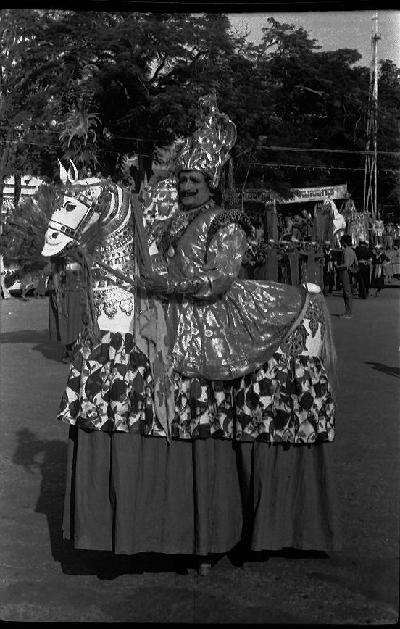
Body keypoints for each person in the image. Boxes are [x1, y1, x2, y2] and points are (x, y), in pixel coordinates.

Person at [135, 94, 339, 570]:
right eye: (182, 178)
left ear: (211, 183)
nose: (186, 186)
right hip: (178, 316)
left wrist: (164, 281)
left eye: (194, 179)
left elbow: (218, 279)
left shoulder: (226, 223)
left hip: (223, 319)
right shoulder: (172, 223)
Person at [48, 256, 82, 362]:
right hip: (62, 292)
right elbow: (52, 272)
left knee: (76, 321)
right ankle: (69, 349)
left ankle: (75, 349)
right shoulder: (56, 256)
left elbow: (82, 268)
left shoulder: (78, 254)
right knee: (64, 322)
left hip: (75, 291)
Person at [337, 234, 358, 318]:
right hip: (351, 272)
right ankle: (348, 311)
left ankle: (348, 312)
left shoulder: (346, 251)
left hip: (346, 272)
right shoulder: (352, 251)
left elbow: (346, 264)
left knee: (347, 292)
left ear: (344, 242)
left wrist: (338, 266)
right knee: (348, 292)